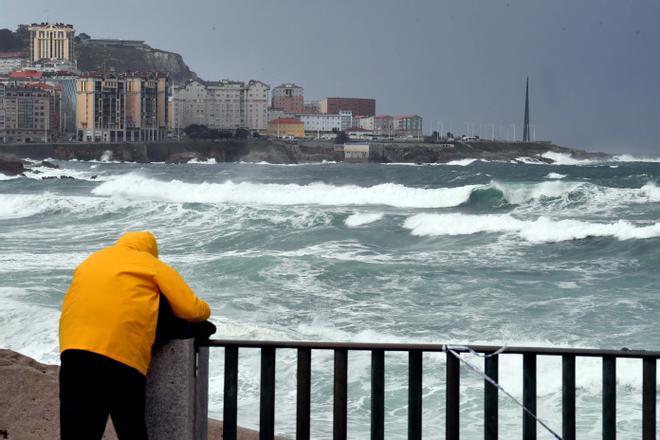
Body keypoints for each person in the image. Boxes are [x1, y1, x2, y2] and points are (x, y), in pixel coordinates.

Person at [59, 231, 211, 440]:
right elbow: (191, 309)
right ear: (151, 251)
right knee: (131, 431)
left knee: (77, 433)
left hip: (74, 352)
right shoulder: (151, 264)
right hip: (121, 356)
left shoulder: (92, 260)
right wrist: (206, 314)